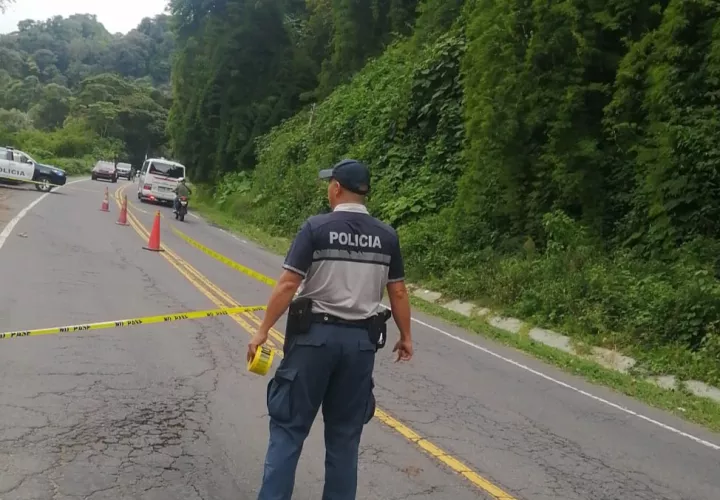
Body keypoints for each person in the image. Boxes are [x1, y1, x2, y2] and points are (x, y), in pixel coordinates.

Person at [247, 159, 414, 500]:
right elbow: (398, 291)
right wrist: (406, 337)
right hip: (360, 346)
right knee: (344, 439)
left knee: (288, 429)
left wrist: (263, 329)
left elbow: (288, 284)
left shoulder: (316, 228)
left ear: (336, 188)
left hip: (313, 341)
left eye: (329, 183)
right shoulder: (387, 236)